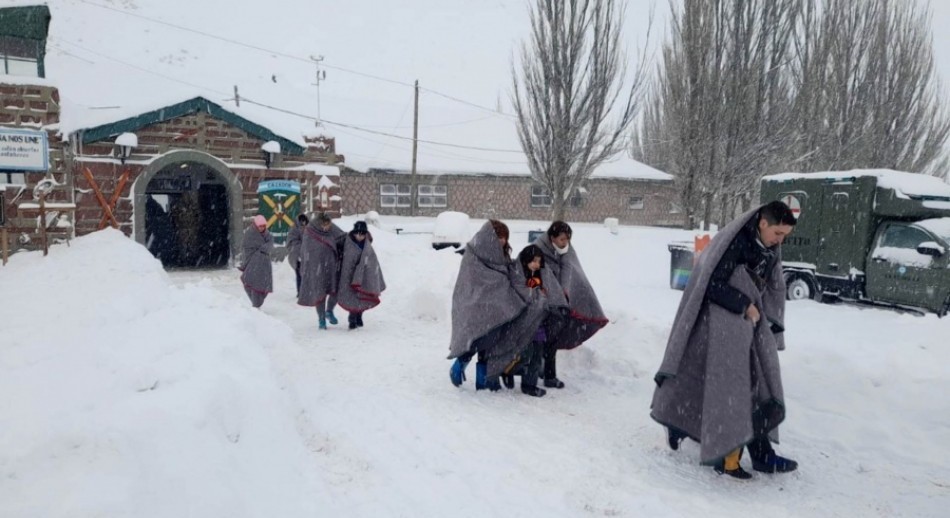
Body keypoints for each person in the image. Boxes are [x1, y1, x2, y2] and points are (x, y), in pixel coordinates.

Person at [651, 200, 798, 480]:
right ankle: (714, 446)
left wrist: (763, 313)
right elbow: (713, 284)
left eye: (784, 237)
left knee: (755, 386)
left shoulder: (767, 248)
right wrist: (745, 303)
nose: (779, 242)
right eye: (778, 234)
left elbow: (769, 284)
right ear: (763, 223)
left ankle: (761, 455)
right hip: (717, 328)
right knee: (728, 390)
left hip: (747, 327)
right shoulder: (736, 243)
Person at [448, 220, 547, 394]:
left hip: (497, 308)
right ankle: (459, 366)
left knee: (491, 341)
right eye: (499, 236)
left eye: (505, 237)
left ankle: (483, 379)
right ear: (490, 237)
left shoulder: (502, 255)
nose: (502, 240)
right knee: (475, 339)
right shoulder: (474, 253)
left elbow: (507, 275)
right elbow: (470, 281)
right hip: (475, 306)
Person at [532, 221, 608, 388]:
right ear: (552, 237)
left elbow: (569, 268)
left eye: (567, 239)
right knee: (544, 338)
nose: (565, 243)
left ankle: (543, 370)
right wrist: (551, 294)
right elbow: (538, 274)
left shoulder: (566, 249)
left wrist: (565, 291)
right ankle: (544, 373)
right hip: (543, 301)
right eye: (561, 239)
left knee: (551, 337)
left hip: (560, 302)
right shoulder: (538, 249)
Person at [297, 212, 346, 329]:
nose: (328, 228)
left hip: (332, 266)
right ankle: (321, 318)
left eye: (329, 225)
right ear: (319, 224)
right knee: (320, 293)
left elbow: (342, 237)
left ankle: (329, 311)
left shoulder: (331, 228)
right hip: (316, 269)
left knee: (336, 290)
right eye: (325, 225)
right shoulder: (309, 232)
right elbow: (306, 251)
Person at [337, 221, 386, 330]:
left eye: (362, 234)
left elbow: (372, 260)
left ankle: (359, 315)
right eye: (357, 233)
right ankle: (352, 318)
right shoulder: (347, 242)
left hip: (363, 276)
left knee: (363, 297)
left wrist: (367, 270)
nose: (359, 236)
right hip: (348, 275)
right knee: (352, 297)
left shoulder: (367, 245)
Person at [239, 214, 273, 308]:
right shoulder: (250, 234)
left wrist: (262, 249)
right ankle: (256, 303)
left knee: (264, 283)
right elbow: (246, 248)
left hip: (265, 264)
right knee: (251, 282)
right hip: (252, 262)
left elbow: (270, 244)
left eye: (263, 226)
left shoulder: (268, 235)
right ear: (255, 225)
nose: (262, 228)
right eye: (260, 226)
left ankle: (258, 302)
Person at [286, 213, 309, 296]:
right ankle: (300, 292)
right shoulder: (294, 229)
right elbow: (291, 242)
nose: (303, 225)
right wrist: (301, 247)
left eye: (305, 223)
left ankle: (307, 291)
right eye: (302, 223)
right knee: (299, 274)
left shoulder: (310, 229)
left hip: (307, 256)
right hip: (297, 256)